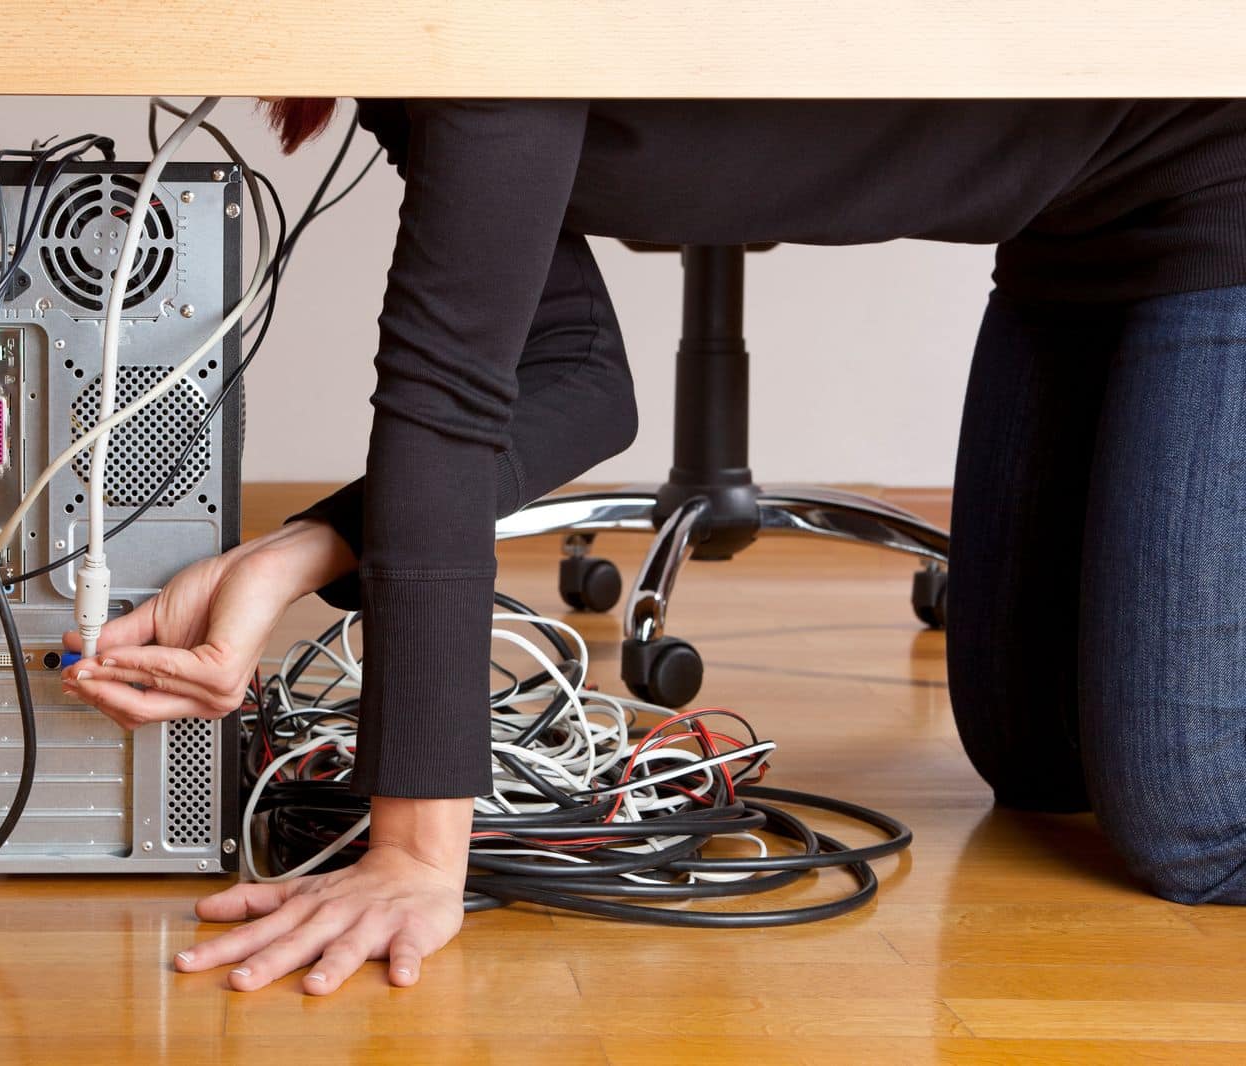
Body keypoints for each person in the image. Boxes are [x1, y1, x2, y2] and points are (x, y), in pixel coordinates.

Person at [62, 98, 1246, 995]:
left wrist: (418, 851)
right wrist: (290, 556)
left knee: (1190, 828)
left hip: (1210, 168)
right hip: (1071, 237)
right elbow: (572, 379)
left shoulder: (478, 39)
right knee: (1037, 767)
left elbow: (447, 395)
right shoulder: (407, 72)